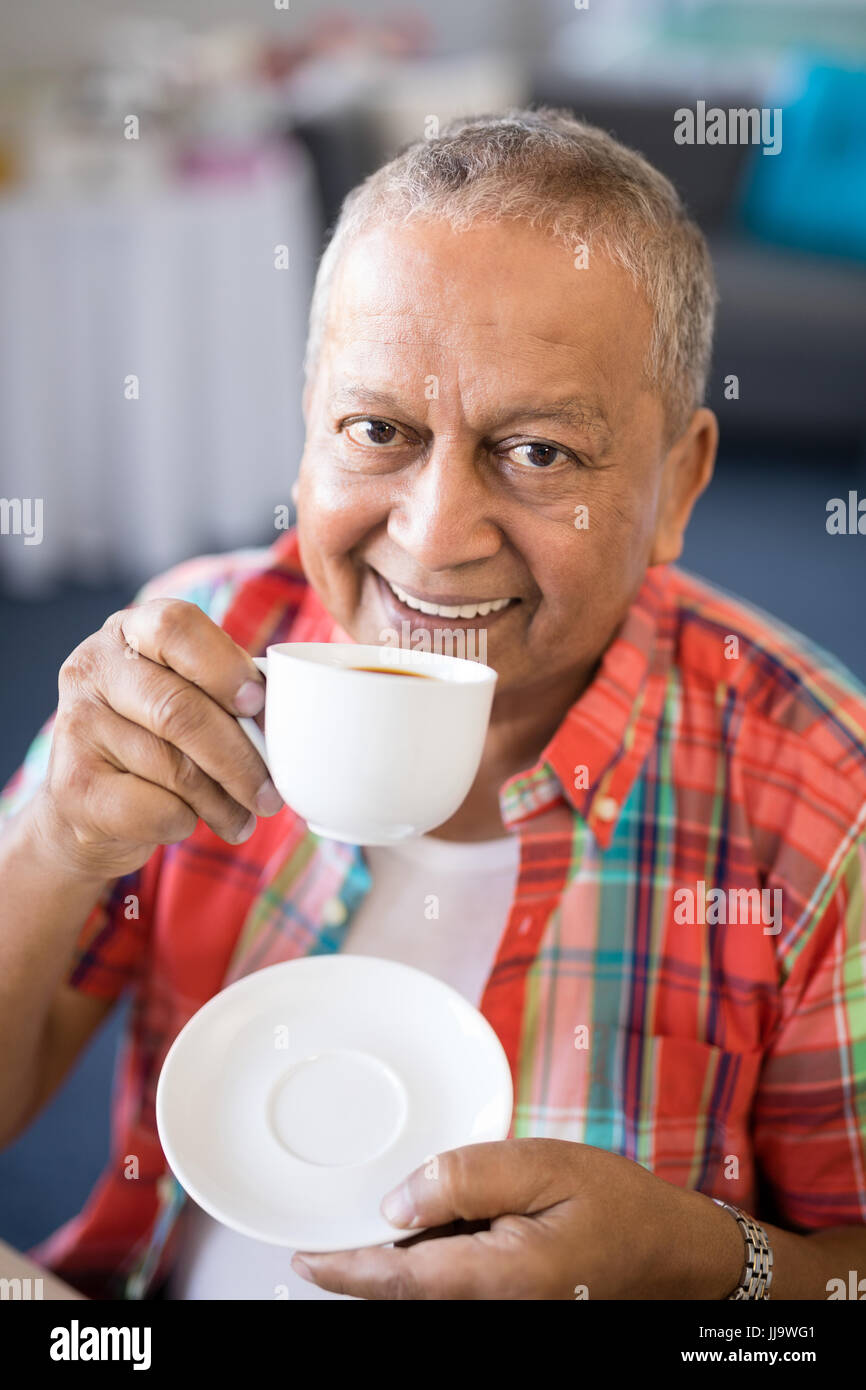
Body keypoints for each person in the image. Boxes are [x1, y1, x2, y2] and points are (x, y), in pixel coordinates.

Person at [1, 108, 865, 1301]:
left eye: (538, 451)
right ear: (306, 431)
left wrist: (712, 1264)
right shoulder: (184, 661)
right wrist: (55, 841)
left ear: (680, 484)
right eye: (376, 431)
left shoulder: (827, 806)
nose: (433, 537)